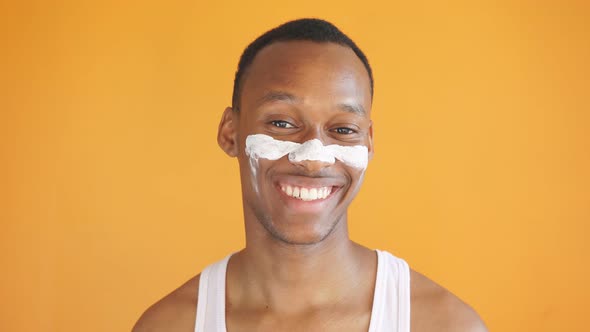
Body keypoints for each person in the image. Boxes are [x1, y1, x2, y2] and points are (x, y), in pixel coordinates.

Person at [133, 18, 487, 332]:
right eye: (282, 123)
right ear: (231, 133)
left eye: (344, 129)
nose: (314, 158)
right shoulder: (169, 325)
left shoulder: (445, 324)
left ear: (369, 142)